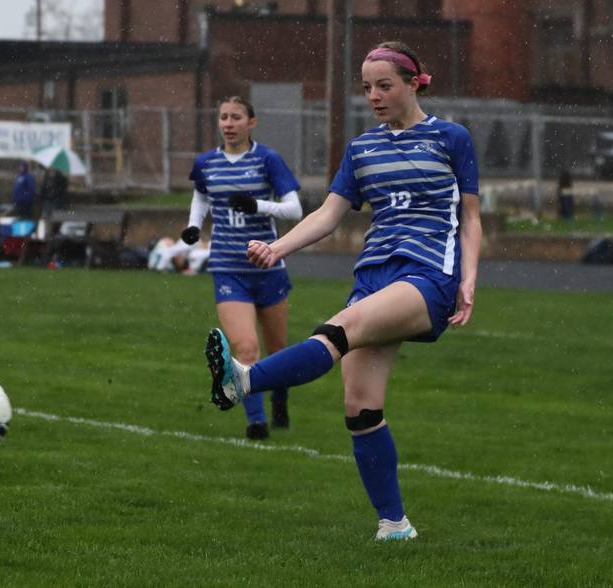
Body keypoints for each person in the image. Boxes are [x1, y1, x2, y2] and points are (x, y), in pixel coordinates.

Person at [204, 42, 481, 540]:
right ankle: (394, 525)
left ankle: (243, 382)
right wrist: (278, 248)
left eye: (384, 86)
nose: (373, 96)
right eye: (367, 87)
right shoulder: (362, 148)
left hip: (427, 276)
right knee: (360, 408)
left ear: (415, 83)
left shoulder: (450, 137)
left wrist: (468, 279)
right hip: (373, 274)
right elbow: (329, 215)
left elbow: (471, 218)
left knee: (340, 328)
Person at [185, 96, 303, 440]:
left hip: (268, 267)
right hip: (228, 268)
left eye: (236, 117)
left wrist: (257, 205)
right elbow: (201, 195)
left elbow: (295, 209)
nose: (228, 123)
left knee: (278, 351)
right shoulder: (207, 162)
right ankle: (256, 422)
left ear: (251, 122)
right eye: (223, 117)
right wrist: (194, 224)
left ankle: (280, 399)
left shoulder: (267, 159)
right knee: (247, 348)